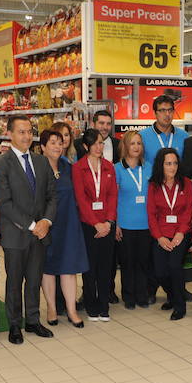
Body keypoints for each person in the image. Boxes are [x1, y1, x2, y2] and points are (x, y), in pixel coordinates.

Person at [0, 115, 57, 344]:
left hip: (40, 233)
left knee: (34, 279)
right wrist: (32, 225)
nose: (27, 136)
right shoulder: (1, 164)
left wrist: (46, 221)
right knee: (14, 281)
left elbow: (52, 196)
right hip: (15, 233)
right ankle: (14, 324)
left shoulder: (41, 161)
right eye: (21, 132)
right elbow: (4, 202)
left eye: (29, 131)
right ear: (9, 134)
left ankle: (33, 320)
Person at [40, 129, 87, 328]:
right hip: (47, 225)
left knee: (69, 267)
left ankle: (71, 310)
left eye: (60, 143)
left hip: (69, 223)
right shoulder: (37, 168)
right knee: (48, 268)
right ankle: (51, 308)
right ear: (42, 146)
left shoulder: (68, 167)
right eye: (52, 142)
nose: (58, 146)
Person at [72, 128, 119, 321]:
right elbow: (81, 199)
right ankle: (91, 304)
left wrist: (108, 222)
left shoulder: (108, 167)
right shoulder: (78, 168)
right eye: (95, 144)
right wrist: (95, 223)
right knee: (90, 267)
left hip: (107, 224)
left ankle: (104, 304)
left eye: (101, 143)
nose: (99, 147)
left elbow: (112, 196)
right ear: (86, 146)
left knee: (106, 266)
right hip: (88, 225)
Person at [147, 148, 192, 320]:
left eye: (175, 163)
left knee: (174, 266)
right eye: (168, 164)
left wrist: (181, 233)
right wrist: (159, 237)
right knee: (160, 272)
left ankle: (180, 306)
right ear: (161, 165)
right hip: (161, 234)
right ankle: (173, 296)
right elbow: (151, 214)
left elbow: (187, 211)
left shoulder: (186, 183)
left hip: (181, 233)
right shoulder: (154, 185)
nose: (172, 167)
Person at [115, 130, 154, 309]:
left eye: (139, 143)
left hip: (146, 224)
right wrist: (116, 223)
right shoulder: (117, 169)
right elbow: (113, 199)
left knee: (143, 262)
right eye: (132, 143)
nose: (136, 147)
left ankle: (142, 294)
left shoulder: (149, 167)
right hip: (125, 224)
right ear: (125, 146)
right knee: (128, 263)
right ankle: (129, 296)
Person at [141, 94, 187, 164]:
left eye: (170, 110)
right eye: (162, 110)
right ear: (154, 113)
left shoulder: (184, 136)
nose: (167, 114)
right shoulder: (142, 137)